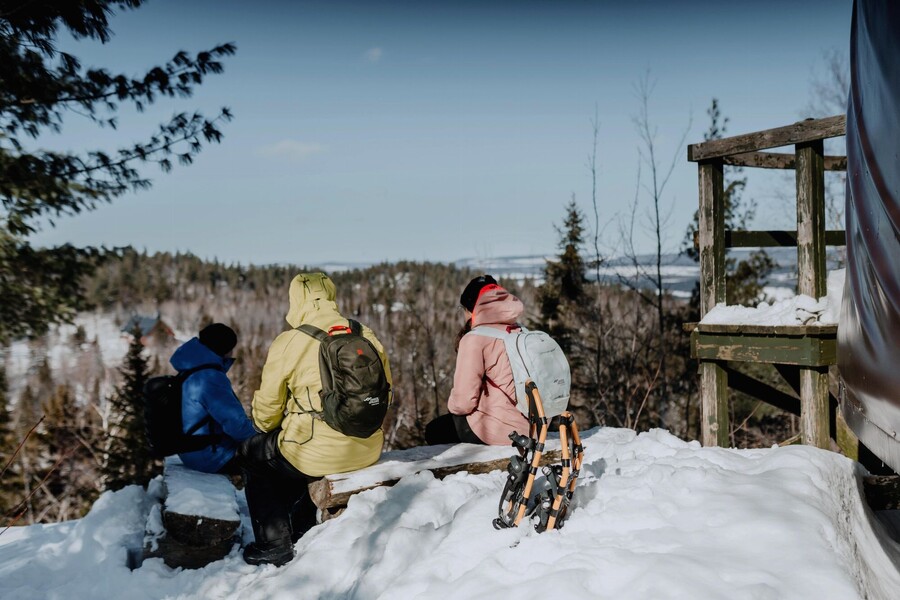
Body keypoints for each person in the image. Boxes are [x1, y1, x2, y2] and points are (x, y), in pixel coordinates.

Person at [240, 272, 392, 567]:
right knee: (295, 450)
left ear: (295, 300)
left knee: (254, 455)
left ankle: (273, 544)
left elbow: (268, 409)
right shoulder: (364, 332)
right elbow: (387, 391)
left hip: (313, 451)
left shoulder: (289, 341)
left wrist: (267, 426)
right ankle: (302, 524)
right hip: (367, 447)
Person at [425, 275, 529, 446]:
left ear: (471, 310)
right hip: (534, 427)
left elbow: (462, 403)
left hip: (501, 431)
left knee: (434, 430)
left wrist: (453, 405)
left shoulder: (474, 339)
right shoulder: (521, 331)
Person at [169, 323, 256, 474]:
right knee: (275, 458)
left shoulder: (191, 369)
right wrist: (264, 439)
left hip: (191, 450)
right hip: (211, 456)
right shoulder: (210, 378)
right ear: (225, 350)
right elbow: (236, 426)